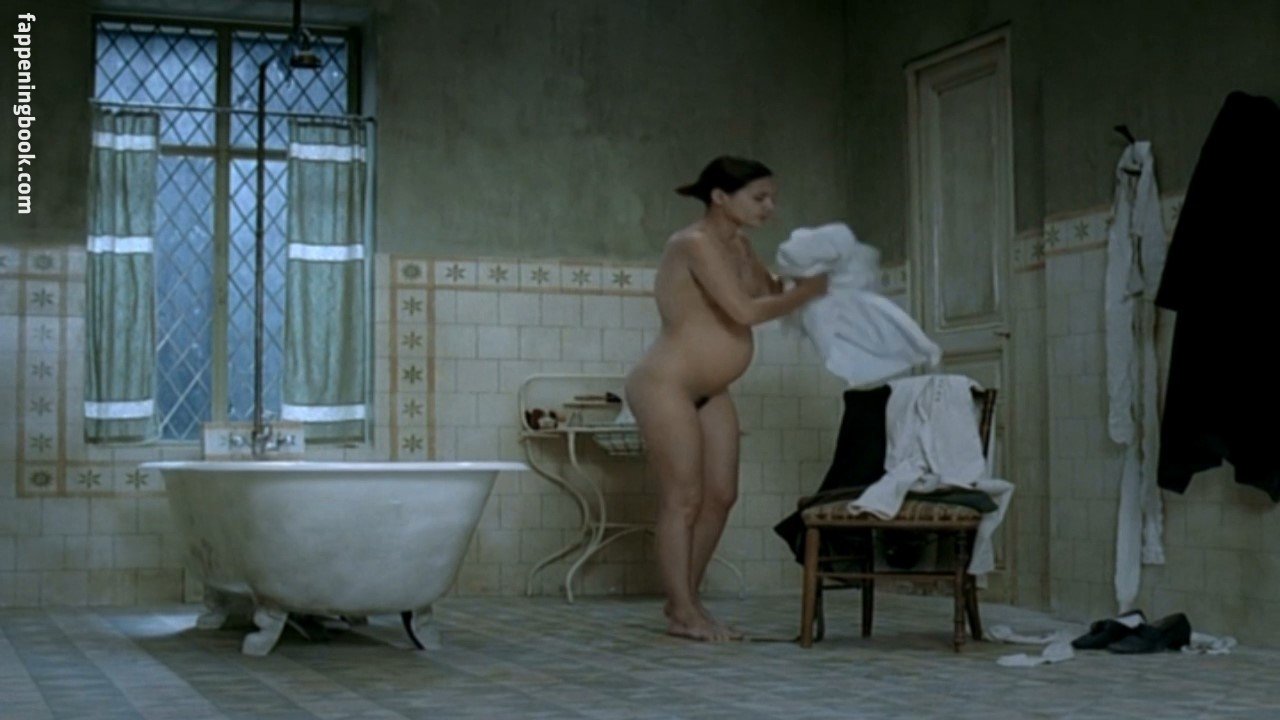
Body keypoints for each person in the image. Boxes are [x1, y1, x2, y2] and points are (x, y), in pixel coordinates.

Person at [625, 156, 828, 641]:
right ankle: (684, 611)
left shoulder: (739, 244)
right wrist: (806, 293)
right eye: (759, 197)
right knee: (683, 499)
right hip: (666, 384)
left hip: (710, 389)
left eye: (772, 198)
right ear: (719, 196)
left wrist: (804, 280)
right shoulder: (692, 243)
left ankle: (684, 605)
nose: (769, 207)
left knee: (721, 495)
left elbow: (768, 291)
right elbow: (744, 311)